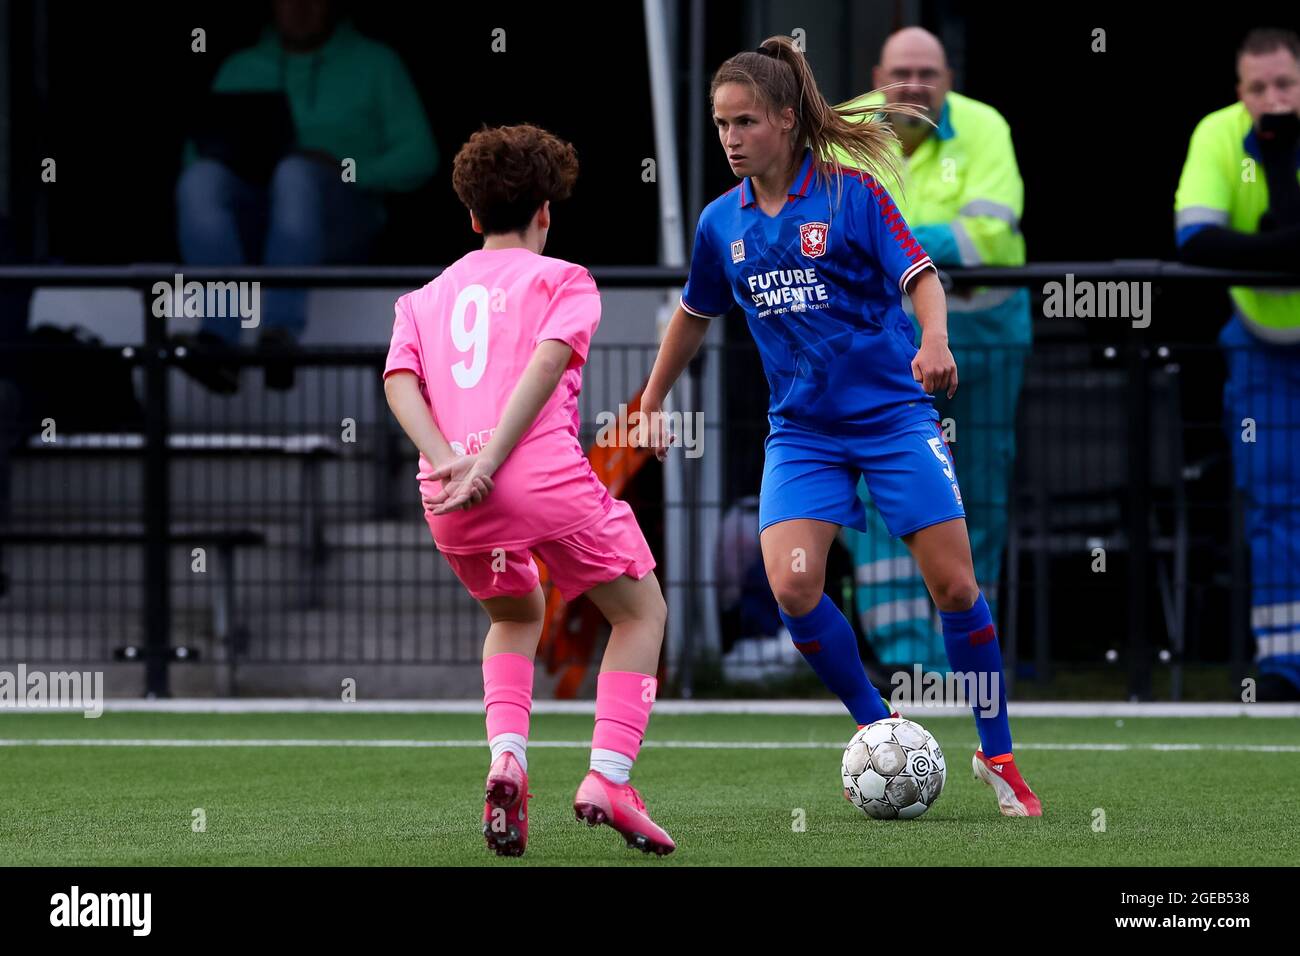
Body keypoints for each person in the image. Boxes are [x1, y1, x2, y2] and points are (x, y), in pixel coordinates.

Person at [638, 35, 1041, 816]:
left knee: (955, 584)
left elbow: (919, 276)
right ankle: (880, 729)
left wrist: (935, 340)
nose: (729, 138)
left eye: (744, 122)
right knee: (793, 583)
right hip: (802, 433)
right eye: (721, 124)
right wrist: (652, 398)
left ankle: (999, 755)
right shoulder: (722, 223)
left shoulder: (852, 195)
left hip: (893, 416)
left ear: (786, 120)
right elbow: (693, 314)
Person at [383, 124, 675, 857]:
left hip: (447, 495)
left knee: (516, 615)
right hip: (537, 481)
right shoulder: (565, 279)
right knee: (640, 610)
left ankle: (507, 758)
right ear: (545, 210)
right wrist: (492, 462)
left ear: (473, 216)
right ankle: (609, 776)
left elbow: (398, 382)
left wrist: (452, 459)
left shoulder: (424, 297)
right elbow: (545, 366)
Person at [836, 27, 1031, 675]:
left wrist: (888, 240)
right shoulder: (848, 126)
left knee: (974, 494)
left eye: (928, 71)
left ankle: (969, 660)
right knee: (879, 494)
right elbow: (823, 231)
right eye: (901, 72)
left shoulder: (985, 127)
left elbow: (991, 233)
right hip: (877, 347)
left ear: (948, 76)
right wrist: (917, 245)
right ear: (877, 74)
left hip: (982, 338)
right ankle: (908, 664)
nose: (914, 84)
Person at [179, 0, 438, 392]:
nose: (299, 8)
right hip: (256, 225)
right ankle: (218, 344)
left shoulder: (376, 63)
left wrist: (346, 170)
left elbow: (421, 155)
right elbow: (196, 154)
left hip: (342, 224)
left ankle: (280, 338)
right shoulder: (240, 68)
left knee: (295, 173)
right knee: (201, 180)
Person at [1175, 28, 1300, 700]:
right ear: (1239, 91)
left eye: (1286, 84)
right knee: (1276, 503)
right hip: (1260, 346)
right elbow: (1195, 239)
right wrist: (1288, 247)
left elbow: (1227, 243)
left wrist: (1263, 243)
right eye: (1258, 89)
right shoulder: (1219, 134)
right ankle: (1284, 668)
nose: (1273, 101)